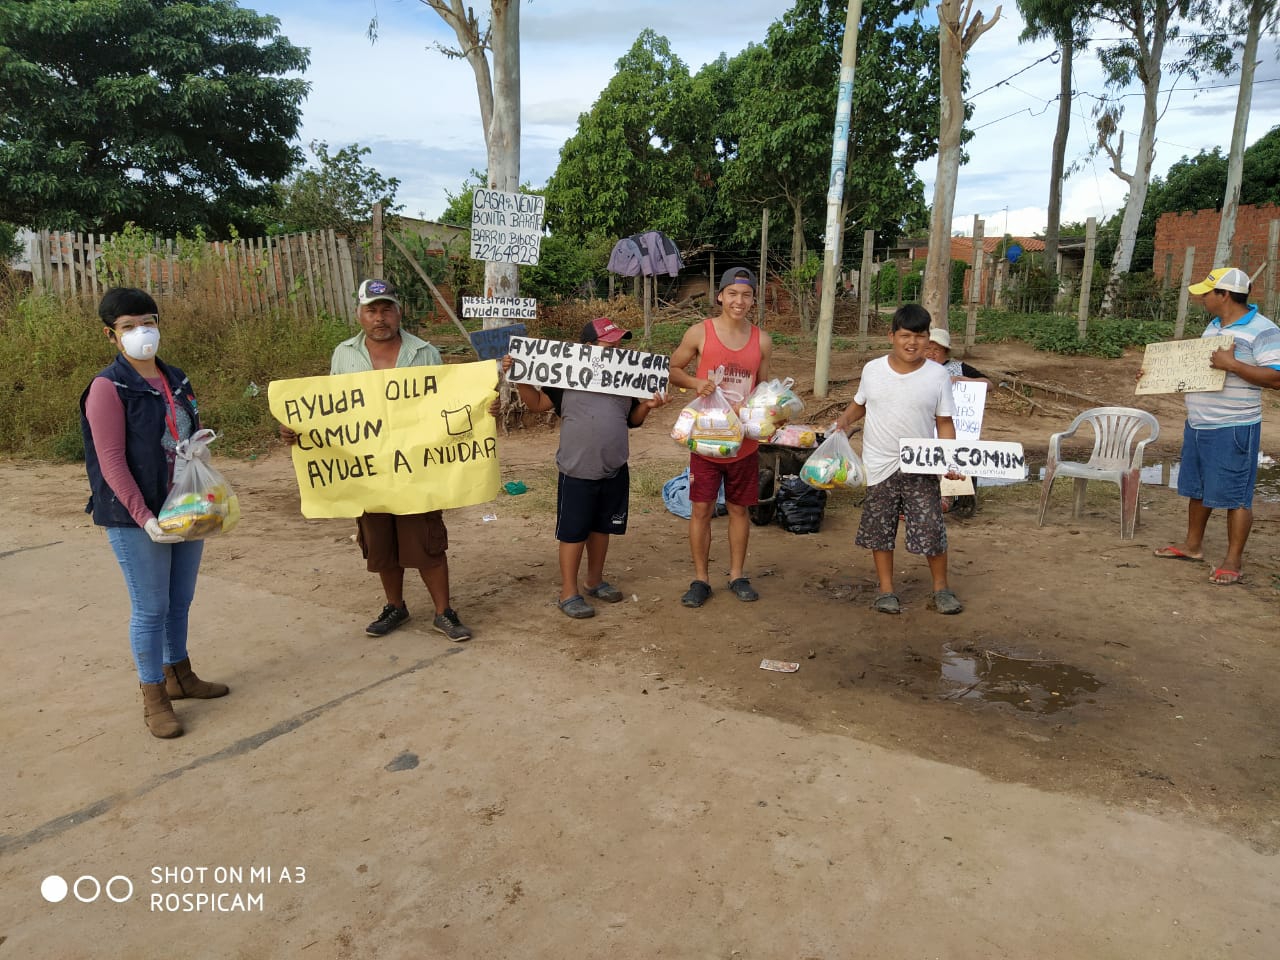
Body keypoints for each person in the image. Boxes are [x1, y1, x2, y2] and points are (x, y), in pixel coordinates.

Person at [282, 279, 472, 640]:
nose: (380, 317)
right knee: (381, 542)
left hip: (417, 467)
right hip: (367, 471)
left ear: (399, 311)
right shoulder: (344, 355)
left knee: (428, 540)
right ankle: (395, 607)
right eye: (372, 310)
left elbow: (445, 401)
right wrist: (298, 429)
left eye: (386, 309)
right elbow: (331, 411)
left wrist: (479, 411)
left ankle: (444, 611)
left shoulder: (425, 352)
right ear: (360, 314)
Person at [80, 287, 229, 739]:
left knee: (179, 600)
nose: (142, 332)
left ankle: (179, 675)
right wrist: (144, 517)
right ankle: (154, 696)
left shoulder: (176, 379)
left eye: (148, 322)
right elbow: (111, 461)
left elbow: (181, 435)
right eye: (128, 327)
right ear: (112, 335)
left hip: (184, 506)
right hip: (134, 516)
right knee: (150, 607)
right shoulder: (108, 388)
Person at [501, 318, 667, 619]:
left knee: (602, 528)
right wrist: (521, 377)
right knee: (573, 532)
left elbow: (633, 419)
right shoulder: (566, 376)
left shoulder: (626, 377)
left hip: (614, 466)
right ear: (586, 347)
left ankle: (594, 580)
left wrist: (648, 406)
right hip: (577, 468)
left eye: (619, 343)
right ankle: (568, 592)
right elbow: (538, 404)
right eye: (608, 344)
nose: (616, 349)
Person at [831, 304, 963, 615]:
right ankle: (886, 590)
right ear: (892, 336)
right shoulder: (873, 370)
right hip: (879, 463)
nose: (912, 343)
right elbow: (860, 404)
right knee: (880, 528)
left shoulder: (938, 375)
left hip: (921, 463)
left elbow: (944, 422)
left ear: (929, 339)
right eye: (905, 335)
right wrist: (843, 422)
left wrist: (950, 461)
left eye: (920, 336)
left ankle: (941, 589)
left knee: (931, 526)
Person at [1153, 267, 1280, 585]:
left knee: (1236, 496)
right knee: (1198, 489)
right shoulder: (1213, 327)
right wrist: (1157, 375)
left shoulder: (1263, 330)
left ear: (1224, 295)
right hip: (1199, 423)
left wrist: (1233, 364)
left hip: (1234, 426)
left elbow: (1276, 377)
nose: (1202, 298)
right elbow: (1202, 371)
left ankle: (1232, 562)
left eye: (1207, 293)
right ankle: (1192, 546)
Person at [668, 266, 773, 607]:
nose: (738, 301)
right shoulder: (700, 333)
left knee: (740, 510)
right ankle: (701, 579)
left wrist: (772, 411)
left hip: (744, 444)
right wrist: (696, 383)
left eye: (746, 295)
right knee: (701, 509)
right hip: (707, 441)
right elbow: (673, 369)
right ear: (720, 296)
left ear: (753, 300)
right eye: (732, 294)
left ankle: (737, 575)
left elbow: (763, 389)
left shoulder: (763, 340)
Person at [923, 328, 992, 387]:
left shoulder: (958, 367)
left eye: (936, 349)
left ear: (946, 352)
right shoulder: (915, 367)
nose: (931, 353)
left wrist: (961, 379)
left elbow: (988, 384)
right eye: (927, 348)